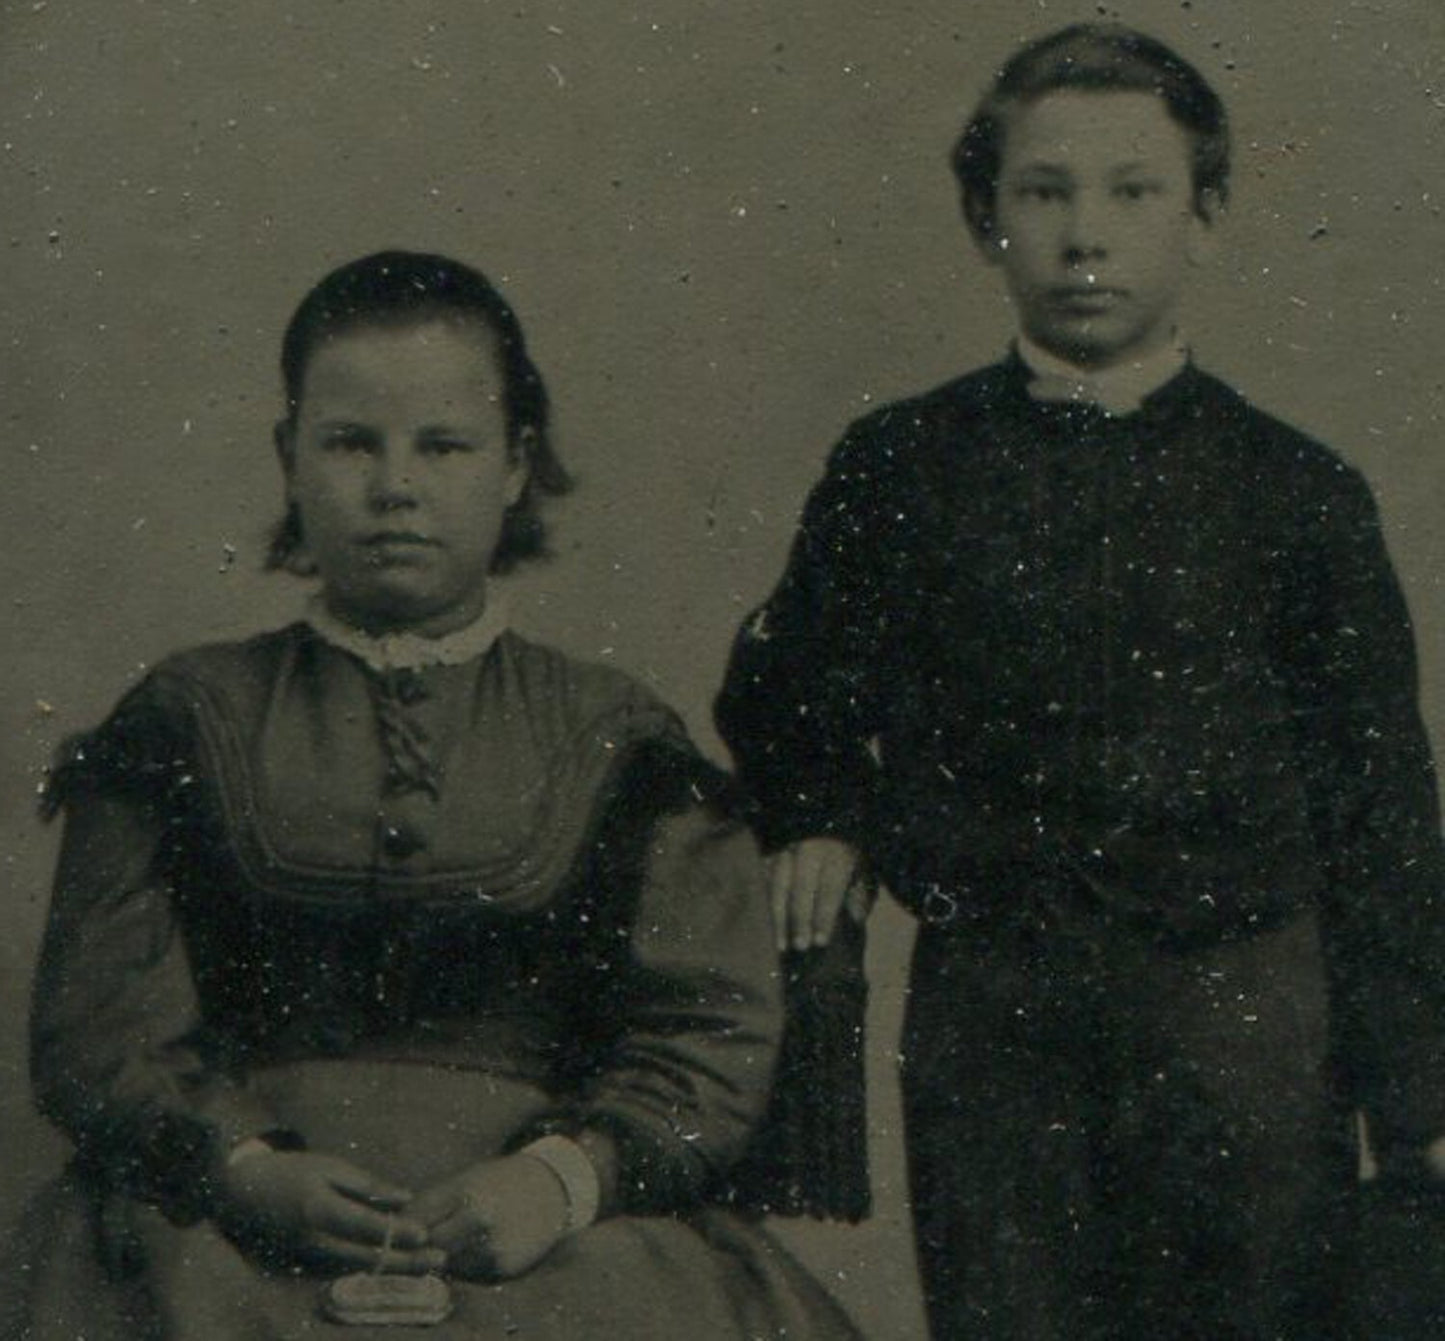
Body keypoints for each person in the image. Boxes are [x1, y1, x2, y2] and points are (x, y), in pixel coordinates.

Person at [714, 24, 1445, 1340]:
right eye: (1044, 193)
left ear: (1204, 215)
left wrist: (1417, 1105)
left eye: (1133, 191)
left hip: (1243, 1028)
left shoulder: (1297, 492)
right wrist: (822, 814)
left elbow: (1381, 811)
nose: (1085, 236)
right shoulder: (901, 465)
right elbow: (782, 686)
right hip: (997, 1026)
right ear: (985, 218)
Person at [9, 250, 861, 1340]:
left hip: (551, 1237)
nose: (394, 487)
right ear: (289, 459)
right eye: (350, 443)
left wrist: (559, 1184)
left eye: (443, 446)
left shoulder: (614, 734)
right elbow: (100, 1028)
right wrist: (243, 1171)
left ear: (514, 465)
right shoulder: (187, 717)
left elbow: (707, 1033)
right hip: (228, 1225)